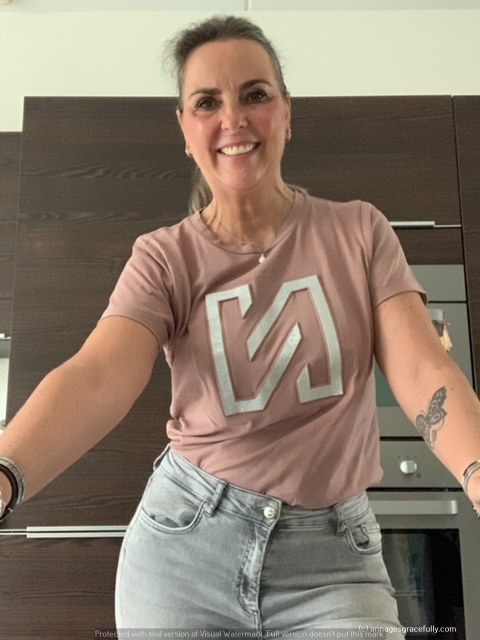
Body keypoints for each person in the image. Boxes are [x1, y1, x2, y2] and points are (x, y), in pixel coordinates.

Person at [1, 14, 480, 639]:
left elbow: (422, 369)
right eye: (207, 102)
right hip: (185, 550)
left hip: (334, 562)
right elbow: (97, 377)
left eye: (255, 95)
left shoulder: (360, 232)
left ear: (286, 111)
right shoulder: (164, 257)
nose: (234, 119)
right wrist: (5, 472)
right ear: (184, 127)